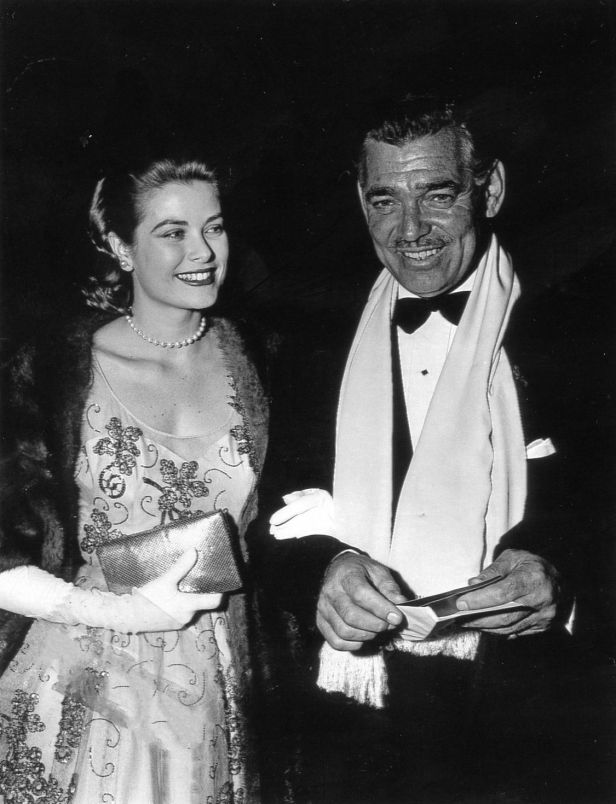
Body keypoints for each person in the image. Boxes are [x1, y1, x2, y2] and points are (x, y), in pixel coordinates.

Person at [251, 97, 583, 803]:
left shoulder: (575, 332)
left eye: (437, 195)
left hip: (535, 729)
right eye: (384, 200)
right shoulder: (313, 341)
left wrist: (561, 573)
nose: (410, 231)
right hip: (359, 735)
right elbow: (267, 530)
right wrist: (322, 571)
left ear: (488, 189)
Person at [0, 156, 268, 803]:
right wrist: (123, 610)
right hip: (83, 679)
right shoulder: (56, 367)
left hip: (222, 681)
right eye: (172, 232)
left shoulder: (260, 357)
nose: (203, 251)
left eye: (216, 227)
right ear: (120, 246)